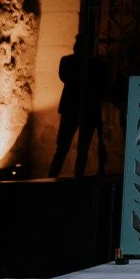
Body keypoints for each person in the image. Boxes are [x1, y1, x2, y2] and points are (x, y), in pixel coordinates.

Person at [48, 35, 108, 178]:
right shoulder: (69, 62)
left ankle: (74, 179)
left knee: (80, 151)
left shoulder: (91, 64)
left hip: (83, 109)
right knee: (63, 148)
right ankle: (51, 178)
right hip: (73, 109)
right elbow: (66, 77)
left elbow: (100, 86)